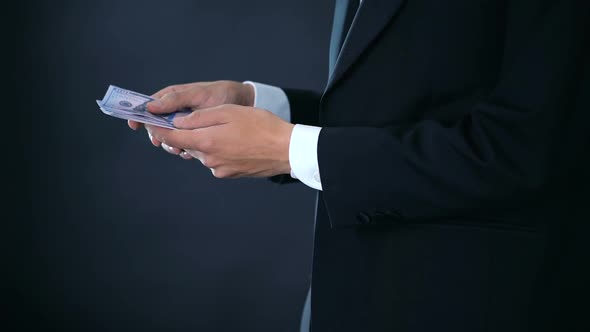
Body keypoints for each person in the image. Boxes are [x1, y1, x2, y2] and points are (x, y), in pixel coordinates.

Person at [129, 0, 590, 331]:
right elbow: (408, 108)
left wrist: (290, 148)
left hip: (479, 303)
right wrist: (262, 106)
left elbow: (525, 148)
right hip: (358, 298)